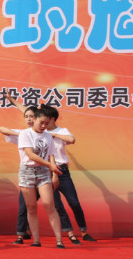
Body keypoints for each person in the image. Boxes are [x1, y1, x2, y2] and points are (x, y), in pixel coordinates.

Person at [44, 105, 96, 244]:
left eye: (46, 120)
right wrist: (12, 100)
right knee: (58, 205)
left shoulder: (62, 131)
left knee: (74, 202)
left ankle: (84, 231)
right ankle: (70, 233)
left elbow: (71, 140)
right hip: (47, 172)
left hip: (63, 172)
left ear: (52, 119)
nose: (43, 123)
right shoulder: (41, 132)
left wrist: (53, 135)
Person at [16, 107, 64, 248]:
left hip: (43, 172)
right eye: (41, 122)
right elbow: (31, 155)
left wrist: (54, 174)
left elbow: (51, 154)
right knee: (31, 207)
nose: (44, 126)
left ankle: (59, 240)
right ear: (34, 119)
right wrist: (50, 165)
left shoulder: (48, 136)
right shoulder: (25, 134)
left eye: (47, 123)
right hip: (27, 172)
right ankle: (36, 240)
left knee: (49, 205)